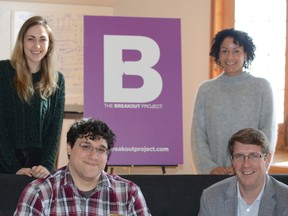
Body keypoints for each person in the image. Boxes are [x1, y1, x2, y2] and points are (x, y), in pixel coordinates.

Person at [14, 118, 152, 216]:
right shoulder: (40, 192)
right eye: (86, 146)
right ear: (69, 148)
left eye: (101, 150)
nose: (93, 156)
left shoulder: (128, 193)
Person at [191, 28, 277, 174]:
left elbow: (268, 133)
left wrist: (247, 166)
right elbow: (198, 136)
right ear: (218, 54)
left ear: (246, 54)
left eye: (236, 51)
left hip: (250, 173)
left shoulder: (262, 87)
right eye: (224, 51)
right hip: (214, 176)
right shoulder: (206, 90)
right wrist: (209, 168)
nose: (230, 57)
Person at [0, 16, 65, 178]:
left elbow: (54, 130)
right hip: (4, 164)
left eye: (43, 40)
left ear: (49, 45)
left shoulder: (57, 80)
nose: (37, 46)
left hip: (39, 169)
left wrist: (46, 165)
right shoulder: (3, 71)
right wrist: (13, 167)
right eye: (31, 39)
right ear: (22, 42)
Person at [198, 128, 288, 216]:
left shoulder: (285, 199)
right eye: (239, 156)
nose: (246, 164)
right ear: (232, 160)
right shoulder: (211, 197)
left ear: (267, 159)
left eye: (253, 156)